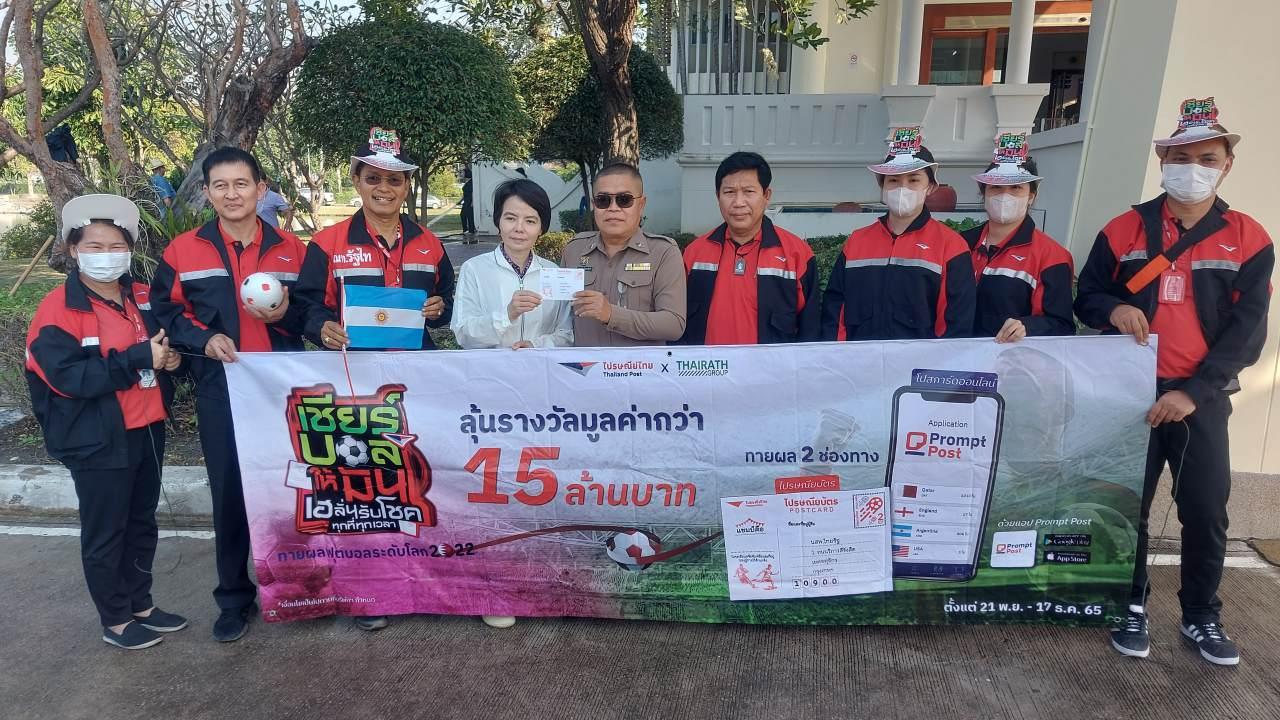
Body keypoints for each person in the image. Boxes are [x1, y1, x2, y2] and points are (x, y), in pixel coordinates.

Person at [1074, 98, 1273, 666]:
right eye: (1181, 157)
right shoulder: (1124, 228)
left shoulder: (1248, 237)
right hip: (1128, 392)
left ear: (1227, 165)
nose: (1193, 168)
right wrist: (1113, 309)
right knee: (1125, 507)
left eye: (1207, 158)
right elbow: (1088, 296)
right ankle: (1129, 603)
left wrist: (1194, 393)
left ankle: (1201, 614)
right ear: (1162, 161)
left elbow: (1247, 332)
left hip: (1198, 398)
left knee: (1205, 510)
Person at [294, 129, 455, 632]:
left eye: (394, 180)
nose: (383, 188)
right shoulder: (328, 244)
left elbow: (447, 303)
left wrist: (439, 308)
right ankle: (371, 592)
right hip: (355, 385)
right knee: (365, 489)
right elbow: (303, 305)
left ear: (407, 186)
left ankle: (427, 581)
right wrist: (320, 327)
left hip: (417, 383)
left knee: (420, 481)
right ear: (357, 182)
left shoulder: (430, 244)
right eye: (373, 179)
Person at [150, 147, 309, 643]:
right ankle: (234, 599)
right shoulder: (183, 250)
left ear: (261, 189)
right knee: (230, 494)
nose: (232, 194)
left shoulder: (292, 248)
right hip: (222, 389)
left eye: (241, 184)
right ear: (206, 192)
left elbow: (314, 312)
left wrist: (285, 315)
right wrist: (202, 340)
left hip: (282, 391)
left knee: (295, 489)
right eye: (220, 185)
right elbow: (165, 311)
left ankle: (300, 589)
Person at [25, 194, 186, 650]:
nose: (106, 255)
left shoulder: (141, 297)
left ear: (130, 250)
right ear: (72, 250)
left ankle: (141, 605)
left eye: (116, 246)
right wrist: (137, 358)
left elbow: (161, 345)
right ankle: (115, 620)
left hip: (147, 426)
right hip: (96, 438)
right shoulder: (58, 310)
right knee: (107, 531)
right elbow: (68, 378)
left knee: (141, 522)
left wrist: (171, 360)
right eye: (93, 246)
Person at [821, 128, 975, 340]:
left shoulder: (950, 245)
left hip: (919, 360)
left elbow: (956, 323)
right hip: (860, 357)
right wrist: (839, 353)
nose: (903, 187)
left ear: (930, 187)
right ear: (882, 186)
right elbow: (835, 308)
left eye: (913, 180)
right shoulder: (857, 241)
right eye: (893, 180)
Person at [678, 151, 819, 345]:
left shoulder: (797, 254)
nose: (738, 203)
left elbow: (810, 328)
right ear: (718, 196)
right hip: (709, 363)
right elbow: (677, 322)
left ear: (766, 195)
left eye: (748, 192)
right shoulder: (694, 253)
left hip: (771, 364)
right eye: (729, 192)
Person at [961, 135, 1075, 341]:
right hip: (956, 353)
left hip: (1010, 357)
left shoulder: (1052, 256)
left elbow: (1062, 325)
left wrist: (1028, 327)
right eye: (996, 187)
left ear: (1031, 196)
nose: (1005, 195)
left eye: (1016, 187)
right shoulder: (961, 244)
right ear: (984, 193)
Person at [560, 163, 686, 347]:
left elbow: (673, 325)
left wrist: (611, 314)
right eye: (603, 200)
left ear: (641, 204)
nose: (613, 208)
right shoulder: (574, 250)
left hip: (639, 365)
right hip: (585, 365)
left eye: (624, 200)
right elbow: (561, 319)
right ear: (594, 205)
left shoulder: (663, 252)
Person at [451, 178, 573, 353]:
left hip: (541, 367)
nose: (519, 228)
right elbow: (463, 334)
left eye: (530, 221)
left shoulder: (553, 272)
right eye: (510, 218)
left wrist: (536, 345)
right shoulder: (474, 269)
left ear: (541, 228)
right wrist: (507, 315)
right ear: (498, 221)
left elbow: (567, 334)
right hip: (491, 368)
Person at [460, 167, 476, 238]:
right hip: (466, 201)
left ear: (467, 173)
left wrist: (473, 202)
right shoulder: (467, 182)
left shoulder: (472, 182)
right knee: (462, 215)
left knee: (470, 216)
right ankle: (465, 230)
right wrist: (460, 201)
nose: (461, 174)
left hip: (470, 201)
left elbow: (473, 192)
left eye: (462, 172)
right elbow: (465, 194)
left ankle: (471, 231)